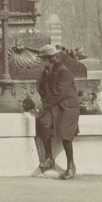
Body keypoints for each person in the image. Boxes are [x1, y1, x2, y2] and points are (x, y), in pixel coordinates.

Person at [33, 43, 82, 179]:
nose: (40, 62)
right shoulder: (46, 72)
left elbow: (60, 92)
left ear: (49, 59)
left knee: (65, 132)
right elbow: (41, 89)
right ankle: (49, 157)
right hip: (54, 105)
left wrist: (43, 104)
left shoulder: (64, 71)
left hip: (67, 106)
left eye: (42, 59)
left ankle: (71, 165)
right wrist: (42, 75)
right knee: (43, 123)